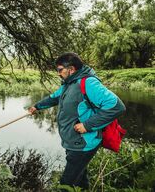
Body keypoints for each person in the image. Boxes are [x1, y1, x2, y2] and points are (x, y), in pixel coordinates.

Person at [28, 52, 126, 190]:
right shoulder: (69, 83)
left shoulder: (88, 83)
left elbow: (117, 106)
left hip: (84, 142)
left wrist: (87, 125)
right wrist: (36, 106)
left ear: (71, 69)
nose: (58, 73)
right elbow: (54, 98)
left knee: (66, 184)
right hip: (72, 140)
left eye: (60, 70)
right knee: (80, 179)